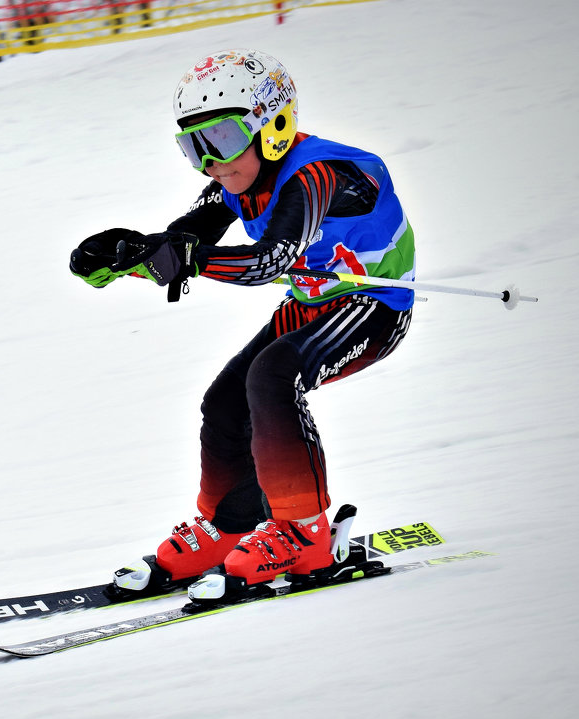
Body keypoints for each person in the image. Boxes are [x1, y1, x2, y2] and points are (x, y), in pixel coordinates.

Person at [69, 48, 415, 598]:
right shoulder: (235, 177)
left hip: (375, 305)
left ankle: (306, 535)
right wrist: (129, 256)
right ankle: (229, 525)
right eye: (194, 147)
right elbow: (189, 235)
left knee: (273, 377)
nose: (211, 161)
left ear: (272, 124)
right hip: (314, 302)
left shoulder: (321, 175)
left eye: (223, 139)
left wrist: (188, 259)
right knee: (225, 400)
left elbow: (269, 259)